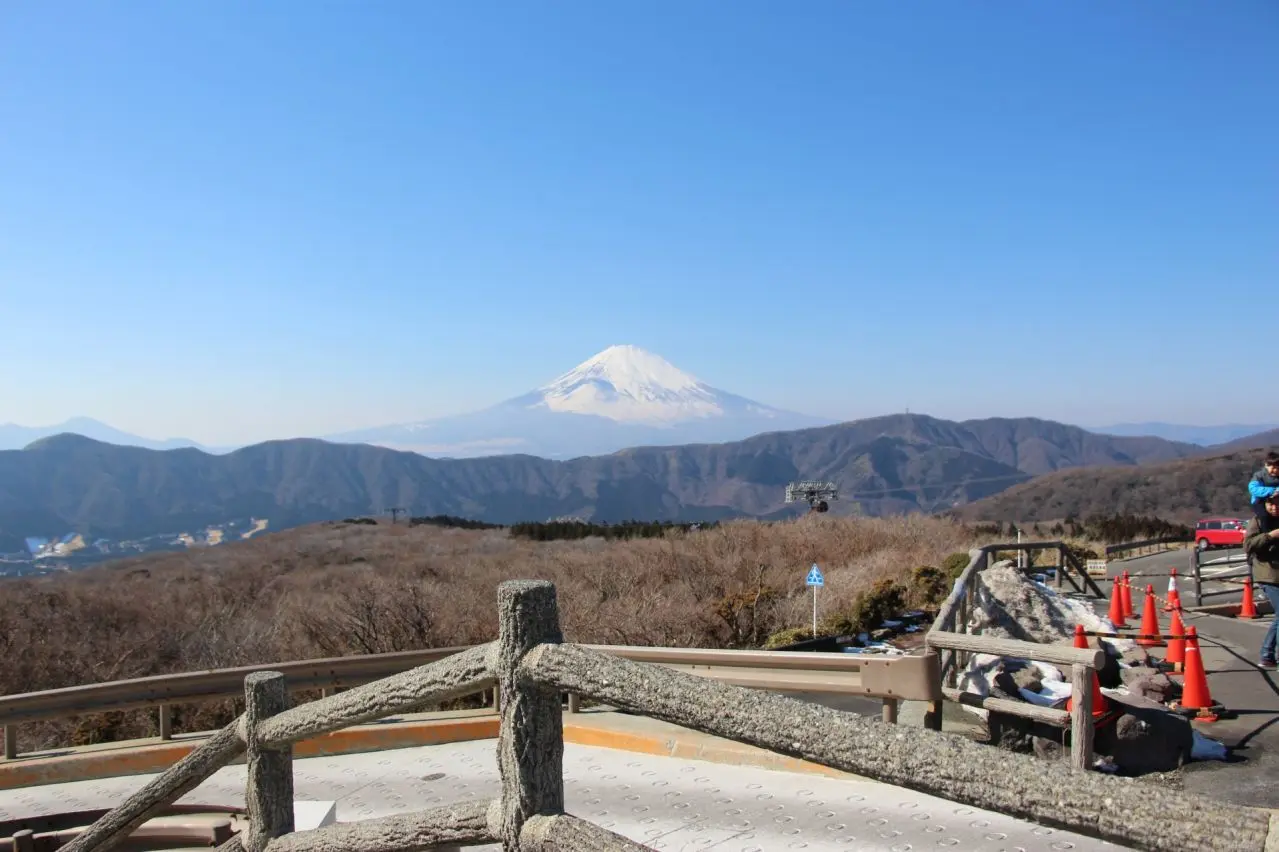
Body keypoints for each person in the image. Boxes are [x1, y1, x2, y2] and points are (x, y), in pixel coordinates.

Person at [1244, 493, 1279, 669]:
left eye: (1277, 504)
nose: (1274, 507)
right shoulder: (1258, 521)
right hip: (1268, 574)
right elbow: (1248, 545)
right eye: (1271, 504)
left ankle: (1267, 655)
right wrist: (1270, 535)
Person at [1249, 452, 1279, 522]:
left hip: (1277, 501)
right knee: (1264, 516)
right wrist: (1272, 491)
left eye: (1278, 468)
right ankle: (1265, 531)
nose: (1276, 470)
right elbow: (1253, 488)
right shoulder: (1259, 476)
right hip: (1260, 501)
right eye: (1273, 467)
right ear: (1266, 465)